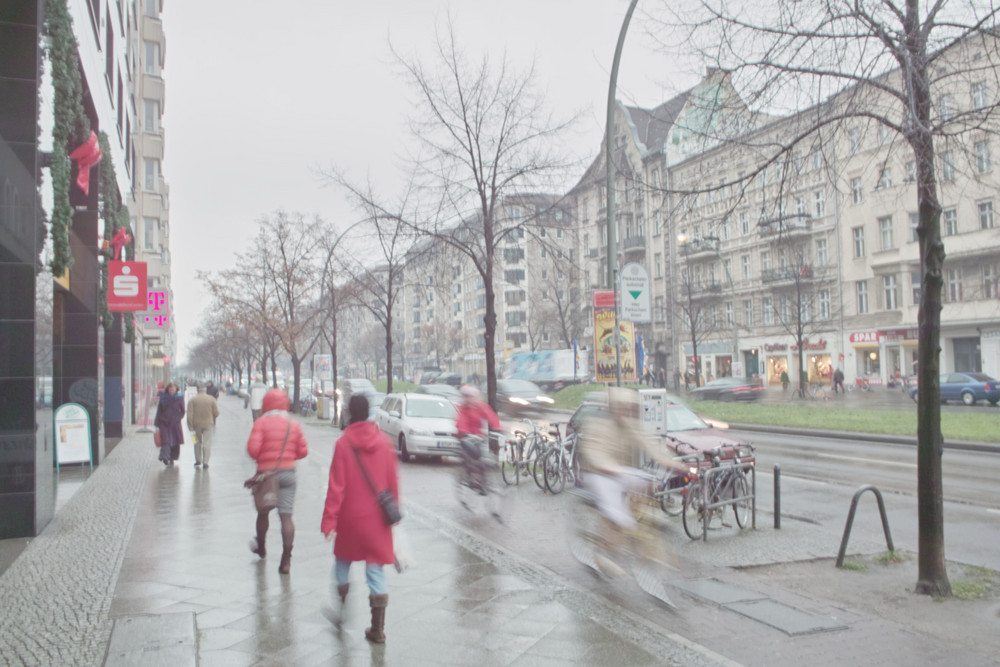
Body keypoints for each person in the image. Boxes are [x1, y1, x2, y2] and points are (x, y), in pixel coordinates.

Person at [322, 394, 400, 643]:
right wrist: (394, 512)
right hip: (377, 520)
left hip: (350, 519)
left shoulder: (343, 444)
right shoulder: (384, 442)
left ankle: (342, 611)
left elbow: (336, 487)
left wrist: (329, 521)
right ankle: (377, 629)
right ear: (368, 413)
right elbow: (392, 483)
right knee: (375, 570)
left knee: (342, 563)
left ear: (349, 413)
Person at [246, 389, 309, 574]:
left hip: (266, 475)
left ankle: (262, 547)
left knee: (263, 512)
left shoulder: (261, 423)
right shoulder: (294, 424)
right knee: (286, 517)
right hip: (289, 474)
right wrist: (289, 456)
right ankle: (286, 559)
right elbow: (303, 451)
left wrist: (264, 458)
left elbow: (252, 450)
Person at [186, 383, 220, 468]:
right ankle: (205, 461)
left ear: (197, 390)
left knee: (196, 442)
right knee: (207, 443)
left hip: (195, 425)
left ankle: (198, 460)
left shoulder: (192, 400)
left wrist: (190, 426)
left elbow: (189, 414)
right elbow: (217, 413)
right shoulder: (212, 399)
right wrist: (212, 418)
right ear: (205, 390)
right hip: (208, 424)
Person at [154, 381, 185, 466]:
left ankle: (172, 457)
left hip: (175, 423)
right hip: (164, 422)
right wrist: (156, 423)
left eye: (173, 389)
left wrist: (178, 418)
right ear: (167, 390)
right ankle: (164, 456)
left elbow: (182, 411)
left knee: (175, 441)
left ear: (176, 390)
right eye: (170, 389)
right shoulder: (163, 398)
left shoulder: (179, 398)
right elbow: (159, 411)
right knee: (166, 440)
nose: (171, 391)